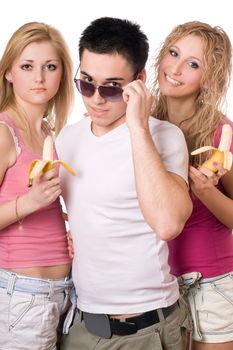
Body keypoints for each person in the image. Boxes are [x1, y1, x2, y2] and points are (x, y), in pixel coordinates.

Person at [56, 17, 193, 350]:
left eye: (112, 87)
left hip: (142, 330)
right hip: (80, 324)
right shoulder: (67, 139)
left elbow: (167, 223)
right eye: (86, 83)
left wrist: (138, 127)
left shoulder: (163, 137)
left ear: (139, 81)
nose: (96, 99)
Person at [150, 21, 233, 350]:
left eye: (193, 64)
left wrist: (206, 192)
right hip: (158, 284)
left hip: (211, 285)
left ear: (208, 79)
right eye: (173, 53)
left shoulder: (219, 133)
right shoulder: (143, 124)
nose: (176, 68)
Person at [0, 22, 74, 350]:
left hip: (66, 292)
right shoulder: (4, 132)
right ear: (9, 74)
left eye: (50, 66)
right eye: (27, 66)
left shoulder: (50, 133)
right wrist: (29, 203)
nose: (39, 78)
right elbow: (31, 201)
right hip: (22, 295)